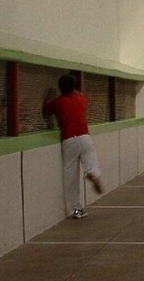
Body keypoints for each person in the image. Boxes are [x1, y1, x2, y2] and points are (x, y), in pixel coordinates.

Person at [42, 74, 103, 219]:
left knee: (71, 176)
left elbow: (45, 110)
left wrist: (48, 96)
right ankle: (93, 173)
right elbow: (82, 97)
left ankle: (77, 210)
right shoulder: (81, 99)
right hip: (85, 136)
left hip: (69, 139)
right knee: (91, 160)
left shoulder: (58, 102)